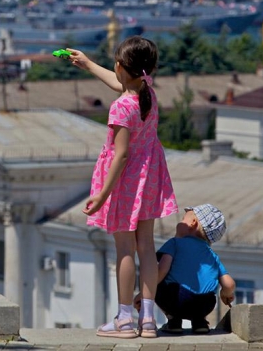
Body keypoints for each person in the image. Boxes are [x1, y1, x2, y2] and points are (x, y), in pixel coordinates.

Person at [67, 36, 178, 339]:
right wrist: (87, 64)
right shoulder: (148, 95)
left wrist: (102, 194)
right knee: (146, 247)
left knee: (124, 250)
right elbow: (122, 84)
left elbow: (122, 154)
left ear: (120, 66)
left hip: (125, 182)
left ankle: (124, 320)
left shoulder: (121, 107)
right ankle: (149, 321)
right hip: (150, 177)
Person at [134, 203, 236, 335]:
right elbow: (229, 284)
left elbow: (161, 271)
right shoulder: (212, 254)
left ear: (193, 223)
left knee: (157, 283)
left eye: (183, 219)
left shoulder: (175, 243)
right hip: (205, 304)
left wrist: (143, 294)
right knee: (207, 294)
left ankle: (173, 321)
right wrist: (225, 294)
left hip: (176, 300)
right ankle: (200, 323)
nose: (180, 222)